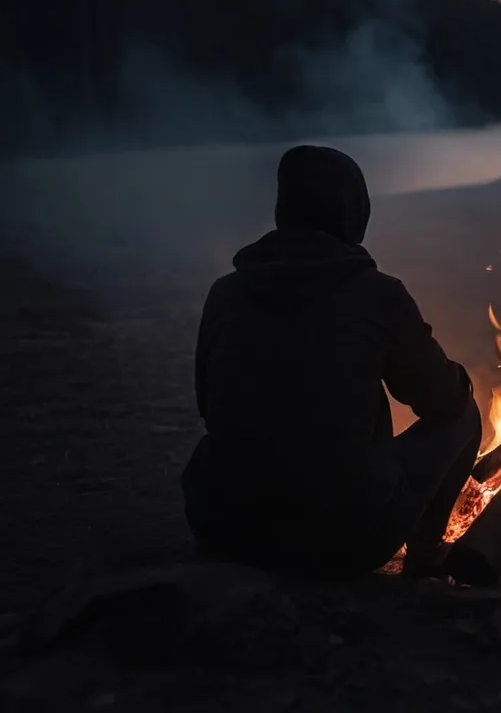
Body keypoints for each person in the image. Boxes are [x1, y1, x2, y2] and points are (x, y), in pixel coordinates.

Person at [181, 144, 482, 577]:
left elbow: (209, 406)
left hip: (223, 528)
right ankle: (424, 553)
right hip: (341, 540)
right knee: (464, 415)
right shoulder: (377, 295)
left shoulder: (226, 293)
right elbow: (442, 401)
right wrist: (458, 381)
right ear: (353, 212)